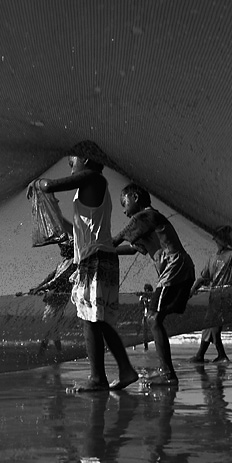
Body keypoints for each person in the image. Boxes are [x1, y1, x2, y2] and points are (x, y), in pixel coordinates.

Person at [29, 155, 138, 391]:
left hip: (95, 258)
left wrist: (38, 184)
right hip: (99, 257)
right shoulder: (91, 190)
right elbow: (75, 230)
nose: (70, 171)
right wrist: (56, 215)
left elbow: (50, 185)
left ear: (86, 160)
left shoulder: (94, 178)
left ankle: (98, 378)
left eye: (71, 164)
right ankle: (125, 370)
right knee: (99, 320)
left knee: (90, 319)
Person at [112, 183, 195, 386]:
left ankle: (167, 374)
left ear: (135, 197)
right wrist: (107, 251)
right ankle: (166, 372)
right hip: (178, 268)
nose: (124, 210)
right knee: (155, 318)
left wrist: (95, 248)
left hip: (175, 265)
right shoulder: (146, 224)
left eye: (124, 203)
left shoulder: (147, 216)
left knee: (153, 317)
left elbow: (119, 237)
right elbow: (132, 249)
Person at [189, 225, 232, 363]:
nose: (225, 239)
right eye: (222, 237)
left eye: (226, 236)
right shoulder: (212, 258)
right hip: (215, 295)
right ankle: (206, 355)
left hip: (227, 295)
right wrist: (192, 290)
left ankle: (215, 355)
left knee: (214, 324)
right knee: (209, 325)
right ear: (216, 239)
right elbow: (203, 278)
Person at [29, 236, 77, 357]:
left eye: (62, 247)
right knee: (53, 327)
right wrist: (38, 286)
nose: (60, 249)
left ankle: (41, 352)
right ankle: (59, 353)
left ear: (69, 249)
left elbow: (58, 280)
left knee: (49, 326)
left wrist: (40, 288)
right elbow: (51, 276)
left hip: (59, 298)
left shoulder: (72, 262)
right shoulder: (62, 263)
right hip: (52, 297)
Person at [137, 284, 154, 351]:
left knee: (153, 330)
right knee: (144, 331)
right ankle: (145, 347)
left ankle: (155, 344)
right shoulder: (142, 297)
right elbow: (140, 306)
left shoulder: (152, 296)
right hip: (145, 316)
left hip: (152, 315)